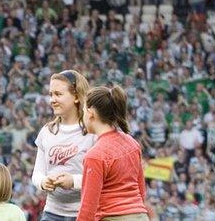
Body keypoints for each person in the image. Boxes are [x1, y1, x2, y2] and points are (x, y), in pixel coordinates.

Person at [31, 70, 96, 221]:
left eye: (58, 94)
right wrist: (43, 182)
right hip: (52, 213)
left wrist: (73, 181)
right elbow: (37, 174)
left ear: (76, 97)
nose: (52, 100)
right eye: (51, 94)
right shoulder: (47, 132)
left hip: (84, 212)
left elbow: (101, 178)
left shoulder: (92, 132)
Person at [78, 86, 148, 220]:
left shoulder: (95, 155)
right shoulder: (132, 143)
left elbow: (88, 208)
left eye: (83, 111)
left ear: (90, 112)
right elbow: (141, 190)